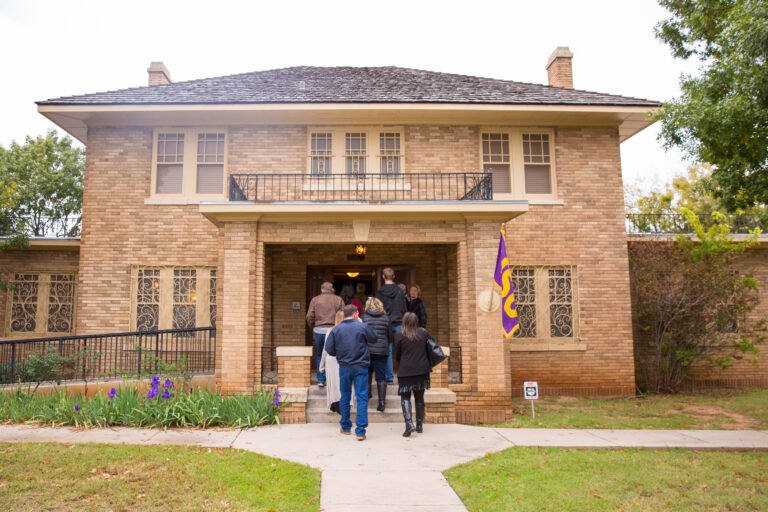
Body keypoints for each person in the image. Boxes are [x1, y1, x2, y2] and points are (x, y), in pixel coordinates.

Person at [325, 304, 377, 441]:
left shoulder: (336, 329)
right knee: (361, 397)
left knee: (345, 396)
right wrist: (361, 323)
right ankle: (360, 431)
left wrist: (339, 354)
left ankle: (346, 426)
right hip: (361, 367)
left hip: (344, 367)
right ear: (355, 314)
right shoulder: (362, 326)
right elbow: (374, 338)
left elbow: (329, 349)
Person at [393, 312, 431, 437]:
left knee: (405, 398)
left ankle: (409, 424)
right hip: (422, 370)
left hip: (405, 371)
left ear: (404, 321)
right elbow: (430, 349)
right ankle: (419, 425)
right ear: (416, 321)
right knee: (419, 397)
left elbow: (397, 354)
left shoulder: (400, 335)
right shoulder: (423, 333)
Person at [306, 281, 344, 388]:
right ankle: (335, 379)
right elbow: (343, 315)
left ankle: (321, 380)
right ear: (332, 289)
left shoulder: (315, 300)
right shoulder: (338, 299)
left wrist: (313, 326)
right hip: (334, 330)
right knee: (335, 354)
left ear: (321, 289)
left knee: (319, 354)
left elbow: (309, 316)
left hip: (319, 330)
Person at [361, 297, 393, 412]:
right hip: (381, 351)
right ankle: (382, 403)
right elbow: (390, 336)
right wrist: (384, 344)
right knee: (381, 376)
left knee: (367, 373)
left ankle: (368, 394)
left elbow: (361, 335)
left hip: (367, 350)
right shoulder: (386, 318)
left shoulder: (364, 318)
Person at [377, 267, 407, 384]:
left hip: (386, 323)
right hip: (399, 322)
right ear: (393, 276)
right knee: (403, 350)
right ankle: (403, 377)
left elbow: (379, 309)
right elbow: (404, 308)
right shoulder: (400, 291)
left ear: (383, 277)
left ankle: (389, 378)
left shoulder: (380, 292)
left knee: (388, 352)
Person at [319, 310, 346, 414]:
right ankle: (342, 405)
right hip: (344, 359)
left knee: (333, 384)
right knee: (342, 383)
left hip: (331, 360)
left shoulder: (331, 330)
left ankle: (335, 404)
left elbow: (325, 349)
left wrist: (321, 366)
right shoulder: (349, 330)